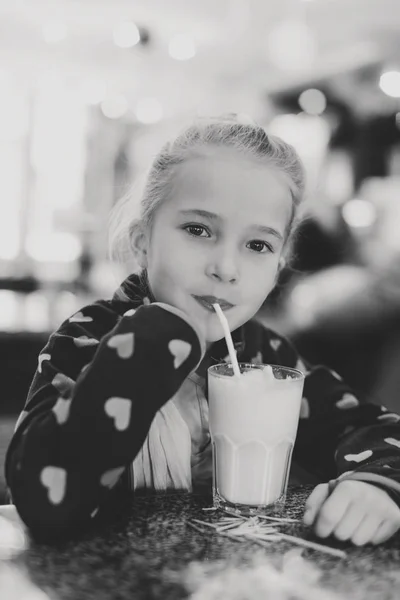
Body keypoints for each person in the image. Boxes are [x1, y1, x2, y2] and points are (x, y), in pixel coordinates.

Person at [5, 115, 400, 546]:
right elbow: (40, 500)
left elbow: (378, 429)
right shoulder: (87, 338)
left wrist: (375, 486)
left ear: (278, 267)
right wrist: (154, 340)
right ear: (142, 240)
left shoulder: (268, 360)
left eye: (257, 245)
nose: (226, 269)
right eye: (198, 229)